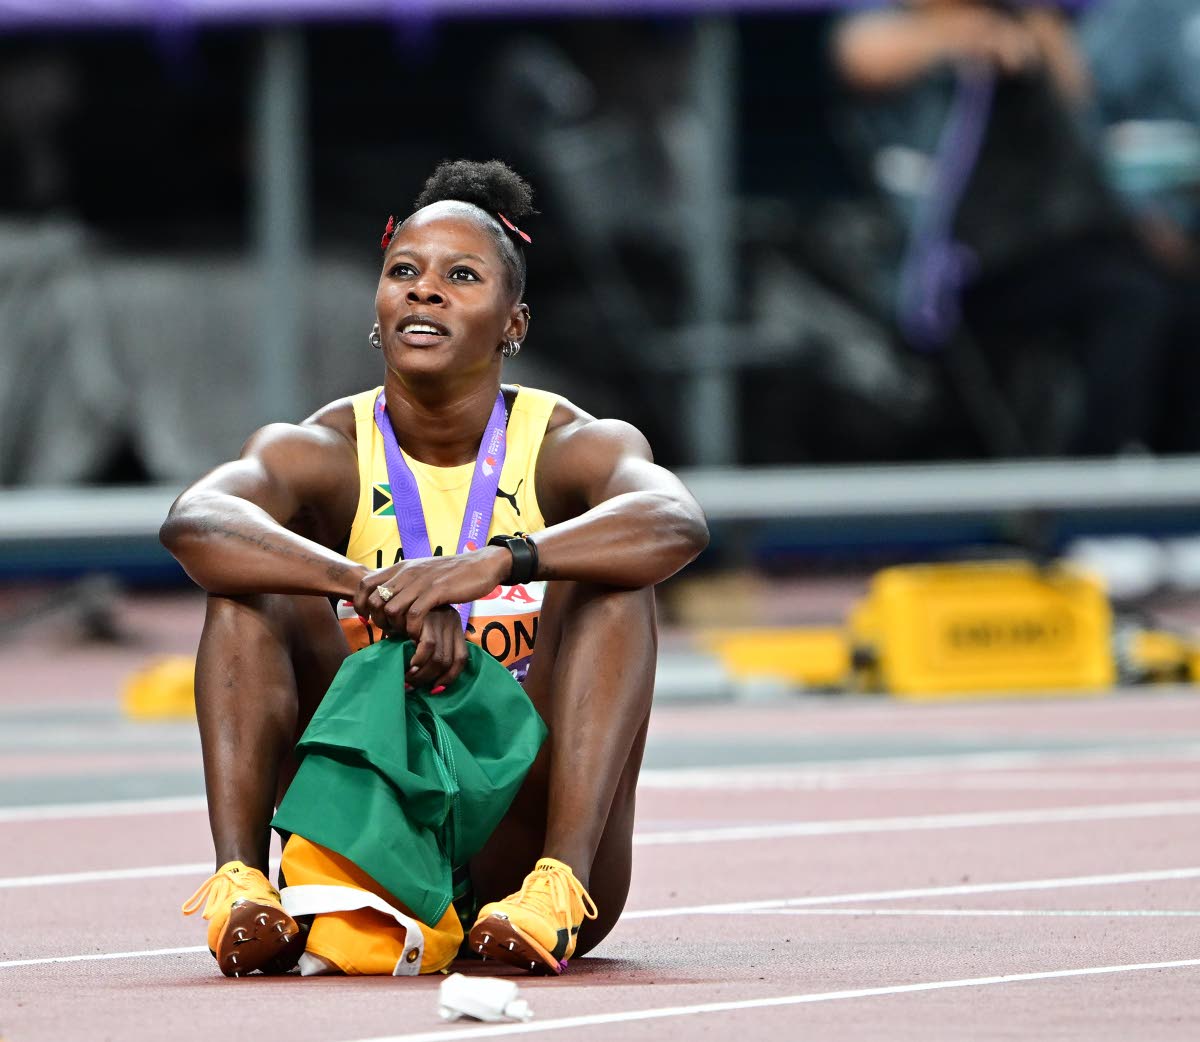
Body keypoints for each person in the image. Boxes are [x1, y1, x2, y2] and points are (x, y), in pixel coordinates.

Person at [163, 158, 709, 977]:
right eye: (404, 273)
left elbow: (674, 520)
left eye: (461, 276)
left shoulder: (569, 446)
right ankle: (242, 885)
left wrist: (495, 563)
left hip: (514, 842)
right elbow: (195, 520)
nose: (425, 291)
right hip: (365, 836)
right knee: (249, 591)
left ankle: (558, 888)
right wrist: (370, 587)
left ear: (513, 323)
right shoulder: (323, 450)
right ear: (379, 312)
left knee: (615, 583)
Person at [831, 0, 1193, 456]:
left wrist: (1035, 30)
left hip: (1052, 244)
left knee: (1170, 291)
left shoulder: (1028, 20)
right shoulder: (896, 26)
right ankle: (1096, 493)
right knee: (1130, 298)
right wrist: (966, 37)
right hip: (952, 269)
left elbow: (1081, 98)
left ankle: (1175, 484)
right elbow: (860, 58)